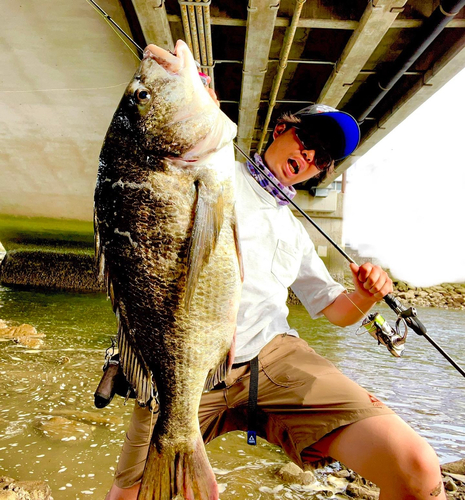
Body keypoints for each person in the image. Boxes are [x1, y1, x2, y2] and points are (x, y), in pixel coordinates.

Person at [106, 101, 446, 500]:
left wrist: (364, 296)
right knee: (128, 496)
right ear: (279, 130)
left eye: (321, 158)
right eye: (307, 139)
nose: (309, 156)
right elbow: (141, 175)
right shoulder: (206, 170)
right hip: (181, 359)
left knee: (417, 468)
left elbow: (337, 312)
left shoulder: (295, 232)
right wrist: (191, 111)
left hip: (270, 356)